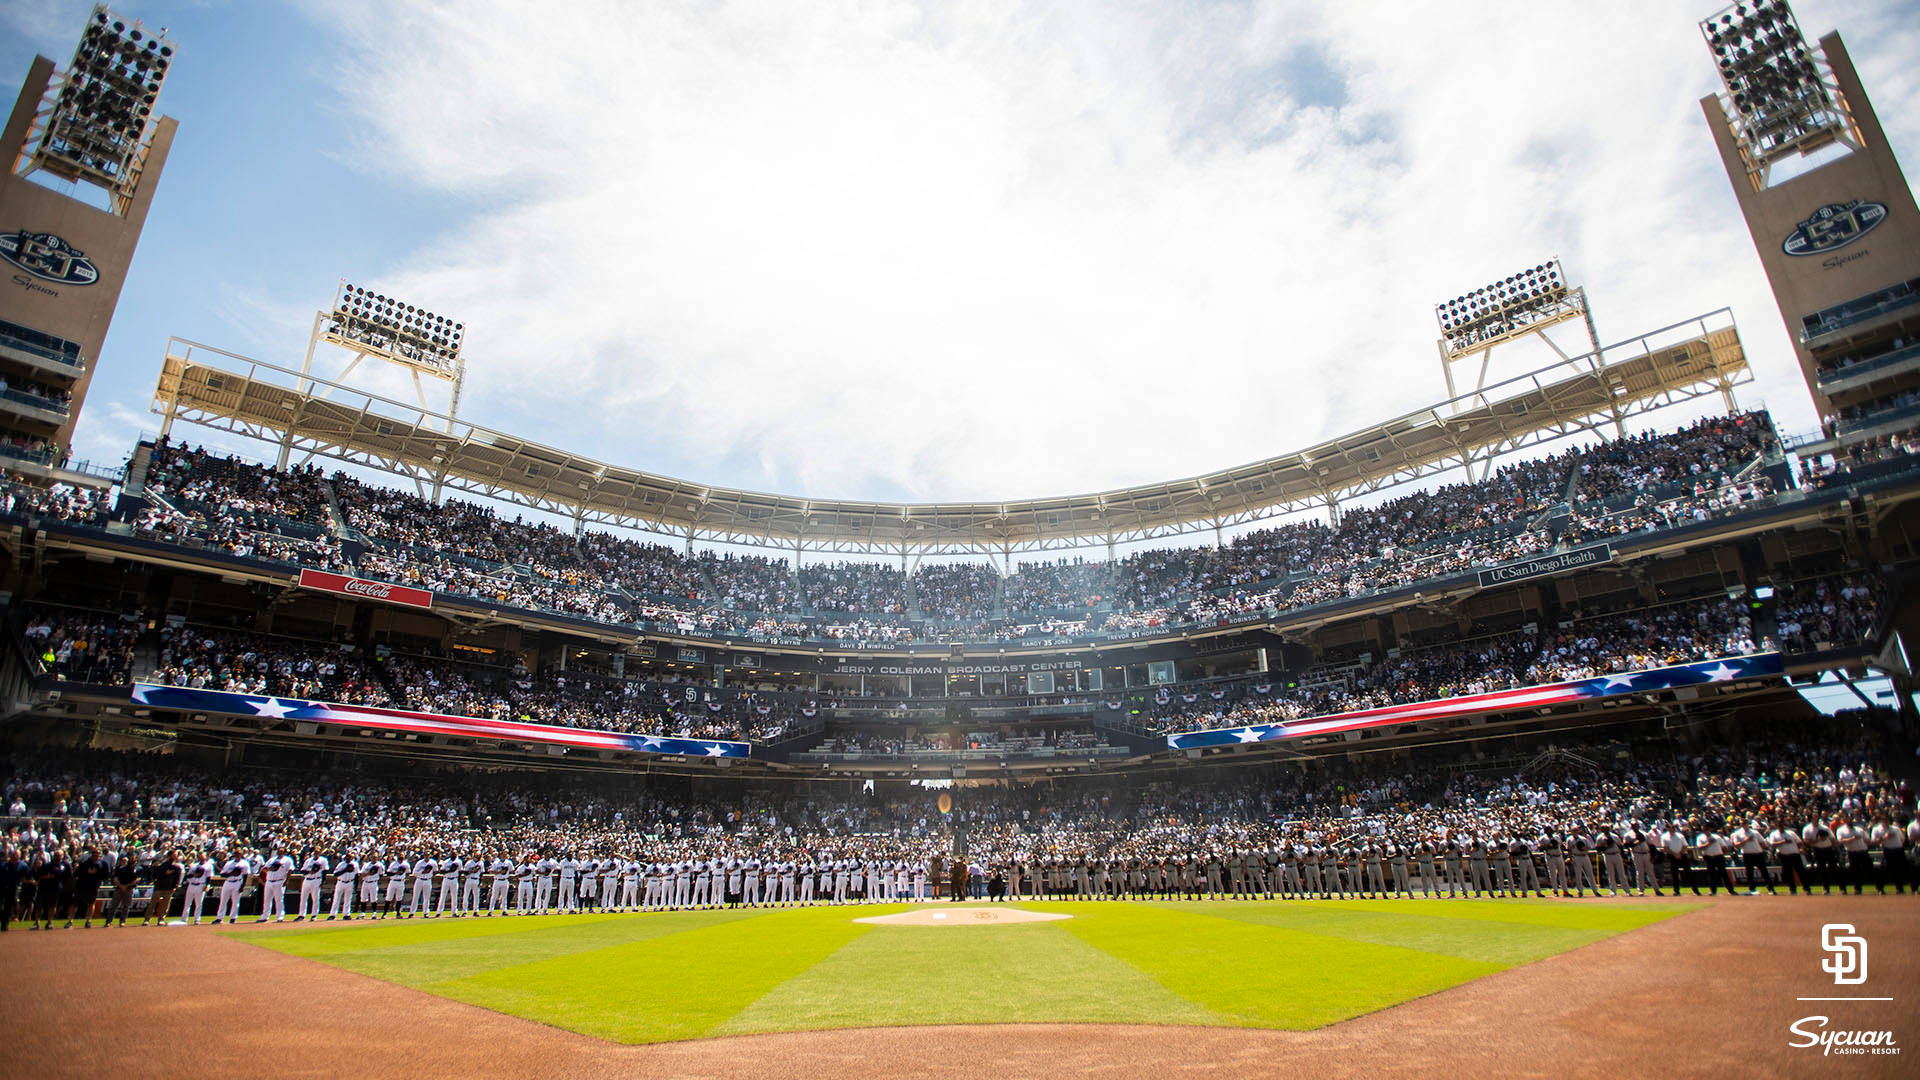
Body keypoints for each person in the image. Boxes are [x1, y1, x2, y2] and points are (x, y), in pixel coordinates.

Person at [145, 850, 184, 926]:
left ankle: (161, 919)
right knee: (153, 904)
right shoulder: (163, 865)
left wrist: (175, 886)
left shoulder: (177, 867)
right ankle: (147, 919)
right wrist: (165, 873)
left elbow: (177, 878)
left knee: (165, 905)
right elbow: (157, 875)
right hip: (159, 887)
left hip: (169, 888)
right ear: (169, 856)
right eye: (174, 854)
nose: (176, 856)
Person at [214, 851, 251, 924]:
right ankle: (219, 918)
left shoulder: (245, 863)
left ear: (241, 855)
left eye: (239, 854)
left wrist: (243, 886)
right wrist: (231, 874)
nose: (237, 855)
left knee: (236, 901)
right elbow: (222, 874)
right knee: (223, 901)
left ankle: (233, 918)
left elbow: (246, 875)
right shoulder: (229, 863)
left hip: (237, 882)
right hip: (228, 882)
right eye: (236, 854)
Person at [105, 853, 139, 927]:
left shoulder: (135, 869)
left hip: (129, 889)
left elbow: (136, 879)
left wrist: (126, 886)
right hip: (119, 888)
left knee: (126, 906)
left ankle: (122, 921)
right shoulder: (119, 868)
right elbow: (115, 878)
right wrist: (121, 886)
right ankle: (109, 921)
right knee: (113, 905)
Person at [260, 850, 294, 922]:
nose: (279, 853)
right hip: (269, 881)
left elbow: (290, 870)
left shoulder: (287, 860)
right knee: (267, 899)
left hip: (280, 881)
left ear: (284, 852)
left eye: (281, 851)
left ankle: (280, 916)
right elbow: (264, 869)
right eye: (279, 851)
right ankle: (265, 916)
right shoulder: (272, 859)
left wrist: (287, 880)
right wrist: (270, 868)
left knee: (279, 899)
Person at [297, 851, 328, 920]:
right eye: (315, 853)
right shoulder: (308, 860)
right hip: (307, 879)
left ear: (320, 853)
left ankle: (314, 915)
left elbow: (325, 871)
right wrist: (309, 872)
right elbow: (302, 871)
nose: (316, 854)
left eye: (317, 853)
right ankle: (301, 915)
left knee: (315, 898)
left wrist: (323, 882)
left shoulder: (323, 860)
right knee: (303, 898)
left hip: (316, 879)